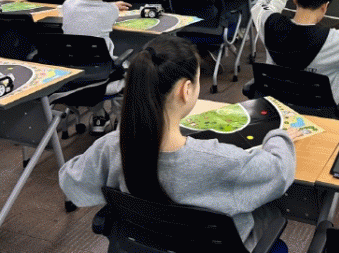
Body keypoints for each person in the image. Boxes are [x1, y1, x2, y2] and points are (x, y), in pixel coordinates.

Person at [58, 36, 297, 251]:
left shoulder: (110, 147)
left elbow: (73, 186)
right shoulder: (224, 161)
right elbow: (279, 172)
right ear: (186, 89)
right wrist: (278, 136)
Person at [61, 0, 131, 132]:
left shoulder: (68, 5)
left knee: (92, 62)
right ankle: (121, 121)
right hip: (101, 78)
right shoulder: (110, 11)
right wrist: (113, 5)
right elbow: (105, 10)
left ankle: (99, 116)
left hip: (71, 76)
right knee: (131, 69)